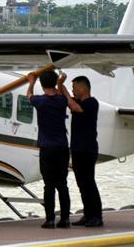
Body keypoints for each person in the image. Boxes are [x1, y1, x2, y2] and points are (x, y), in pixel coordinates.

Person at [27, 69, 71, 229]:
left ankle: (50, 219)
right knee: (62, 184)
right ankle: (65, 219)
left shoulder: (40, 101)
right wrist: (60, 83)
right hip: (62, 147)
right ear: (55, 83)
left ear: (41, 84)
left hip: (47, 147)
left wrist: (31, 82)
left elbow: (29, 96)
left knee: (49, 185)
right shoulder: (61, 100)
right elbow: (61, 94)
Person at [59, 73, 103, 227]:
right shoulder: (77, 101)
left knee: (89, 182)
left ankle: (97, 216)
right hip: (77, 148)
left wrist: (62, 86)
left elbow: (74, 107)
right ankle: (88, 214)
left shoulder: (91, 103)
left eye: (74, 88)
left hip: (88, 149)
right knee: (81, 183)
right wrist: (60, 85)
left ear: (83, 88)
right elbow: (67, 100)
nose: (73, 91)